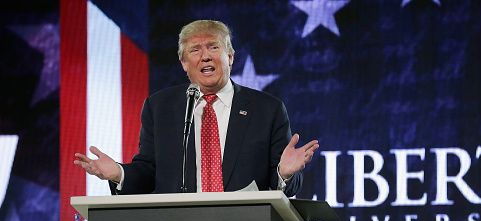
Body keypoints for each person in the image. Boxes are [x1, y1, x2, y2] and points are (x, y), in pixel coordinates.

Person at [74, 20, 318, 197]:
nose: (205, 57)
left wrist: (284, 174)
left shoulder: (267, 110)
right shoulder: (160, 108)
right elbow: (148, 172)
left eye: (213, 47)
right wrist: (118, 173)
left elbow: (286, 188)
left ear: (230, 57)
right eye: (195, 50)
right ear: (184, 63)